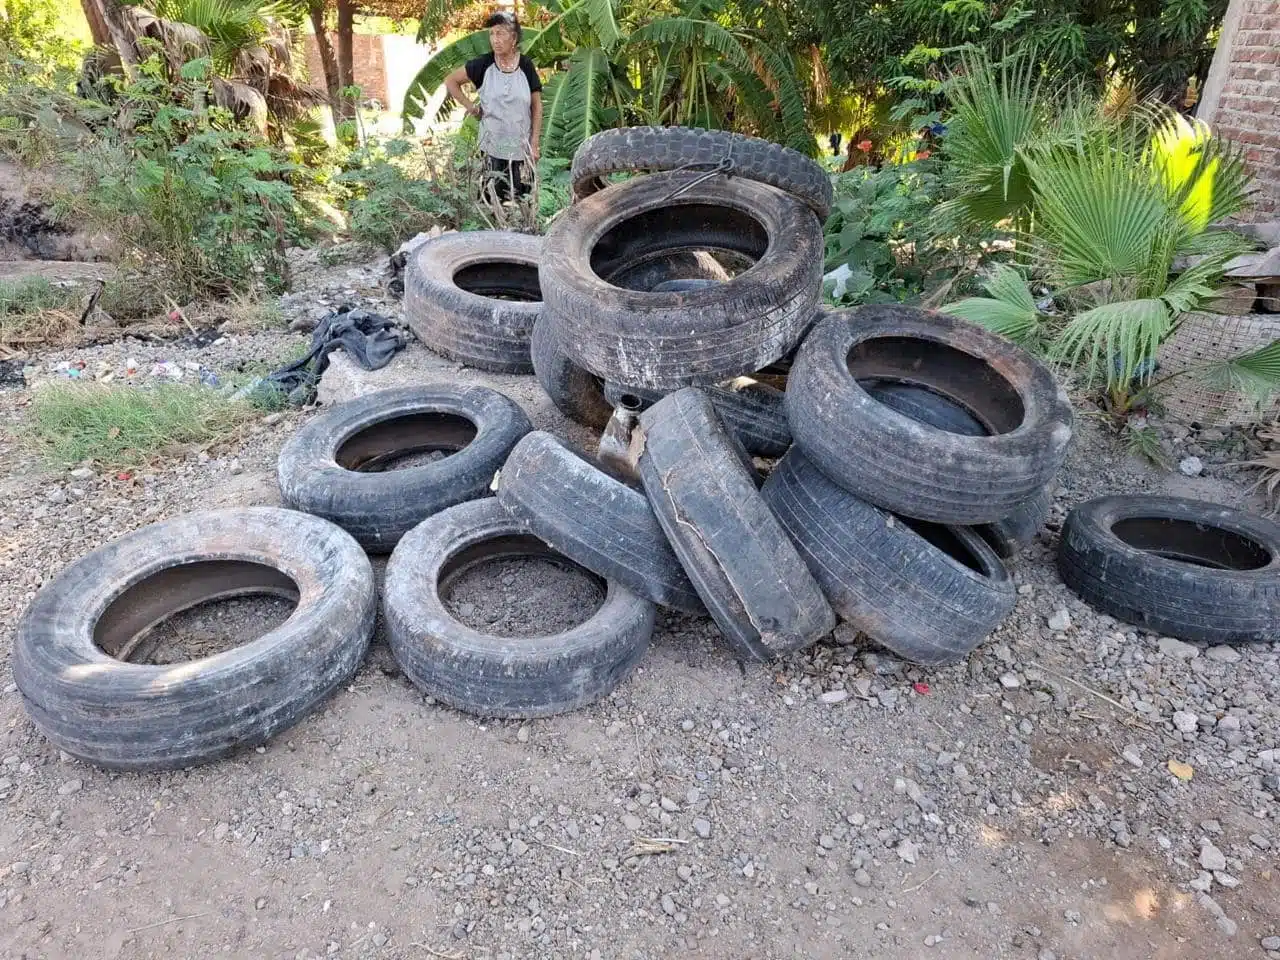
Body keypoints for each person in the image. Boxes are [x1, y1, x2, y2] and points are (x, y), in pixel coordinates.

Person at [443, 12, 542, 201]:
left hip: (521, 150)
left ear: (513, 38)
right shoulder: (483, 65)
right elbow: (450, 81)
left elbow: (537, 107)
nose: (495, 40)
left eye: (501, 34)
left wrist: (535, 143)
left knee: (521, 203)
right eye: (492, 34)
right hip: (491, 150)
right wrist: (470, 106)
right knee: (492, 201)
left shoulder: (526, 66)